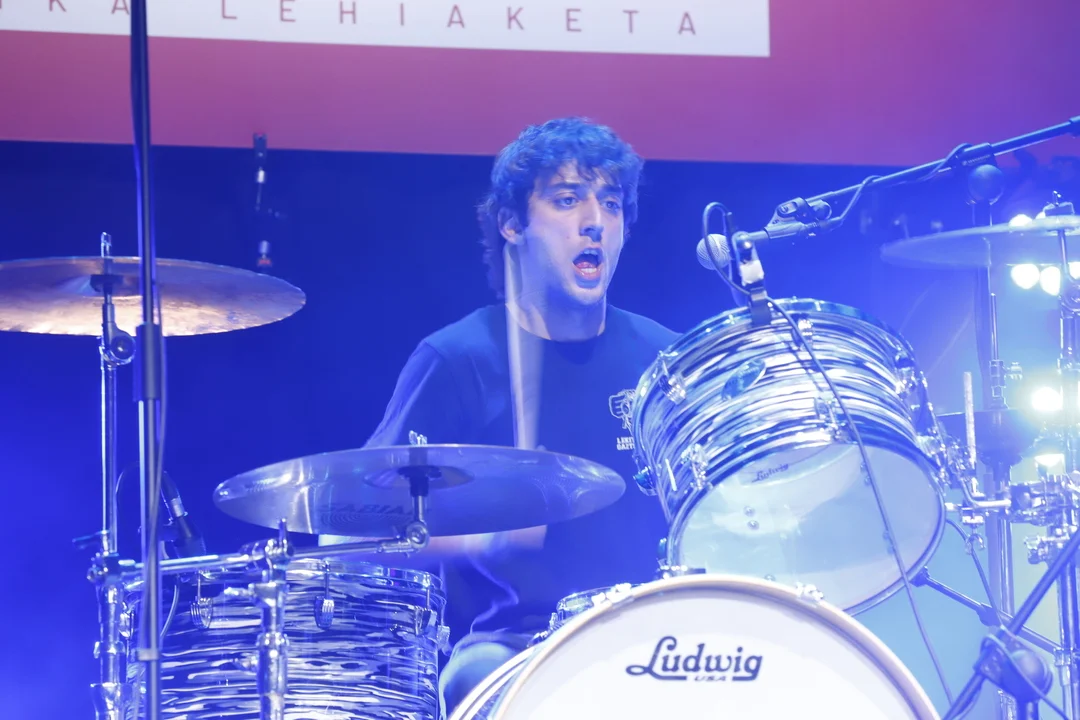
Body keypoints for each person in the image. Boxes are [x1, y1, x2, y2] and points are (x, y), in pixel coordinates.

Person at [325, 116, 680, 714]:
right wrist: (483, 539)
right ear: (512, 224)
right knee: (480, 678)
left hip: (662, 639)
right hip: (513, 650)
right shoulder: (460, 359)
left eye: (612, 203)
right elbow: (344, 531)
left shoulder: (665, 360)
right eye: (567, 199)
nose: (595, 220)